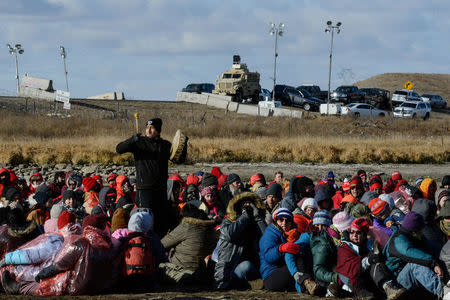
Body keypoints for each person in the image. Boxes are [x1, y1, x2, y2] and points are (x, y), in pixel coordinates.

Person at [116, 118, 172, 237]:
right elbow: (119, 149)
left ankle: (160, 245)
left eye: (152, 128)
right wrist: (132, 140)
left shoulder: (165, 145)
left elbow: (179, 159)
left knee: (160, 220)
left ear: (158, 130)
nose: (148, 130)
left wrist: (184, 146)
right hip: (144, 188)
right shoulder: (139, 143)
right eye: (147, 128)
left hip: (161, 188)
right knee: (145, 218)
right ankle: (143, 243)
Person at [335, 218, 406, 300]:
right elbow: (350, 267)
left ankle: (389, 287)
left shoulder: (369, 244)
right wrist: (368, 260)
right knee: (350, 271)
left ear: (364, 235)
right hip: (353, 279)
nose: (354, 235)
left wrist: (375, 256)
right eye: (352, 231)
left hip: (369, 277)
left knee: (376, 264)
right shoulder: (344, 247)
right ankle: (362, 294)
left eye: (358, 232)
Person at [384, 211, 444, 298]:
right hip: (398, 280)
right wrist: (433, 263)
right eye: (421, 229)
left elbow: (432, 247)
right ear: (415, 230)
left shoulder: (412, 235)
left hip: (408, 275)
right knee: (416, 264)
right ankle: (442, 291)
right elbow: (414, 255)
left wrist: (446, 252)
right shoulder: (398, 241)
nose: (423, 231)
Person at [259, 208, 319, 294]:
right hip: (271, 275)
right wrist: (280, 249)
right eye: (281, 220)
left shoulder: (294, 233)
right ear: (276, 220)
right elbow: (268, 257)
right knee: (297, 258)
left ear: (291, 222)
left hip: (286, 270)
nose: (284, 223)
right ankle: (305, 284)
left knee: (300, 255)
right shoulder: (270, 233)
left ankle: (307, 284)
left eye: (287, 220)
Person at [214, 192, 267, 289]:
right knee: (246, 266)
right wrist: (245, 215)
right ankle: (244, 284)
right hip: (229, 269)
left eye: (250, 205)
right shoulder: (228, 222)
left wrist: (258, 217)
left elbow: (267, 238)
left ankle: (247, 284)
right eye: (244, 205)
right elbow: (230, 234)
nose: (248, 207)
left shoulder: (256, 223)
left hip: (253, 266)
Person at [160, 204, 217, 284]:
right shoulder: (211, 229)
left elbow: (162, 244)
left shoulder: (187, 226)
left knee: (159, 267)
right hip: (204, 272)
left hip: (183, 270)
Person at [309, 210, 340, 296]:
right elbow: (318, 268)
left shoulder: (333, 238)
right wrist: (334, 277)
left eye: (323, 225)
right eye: (317, 225)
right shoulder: (320, 242)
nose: (320, 228)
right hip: (324, 280)